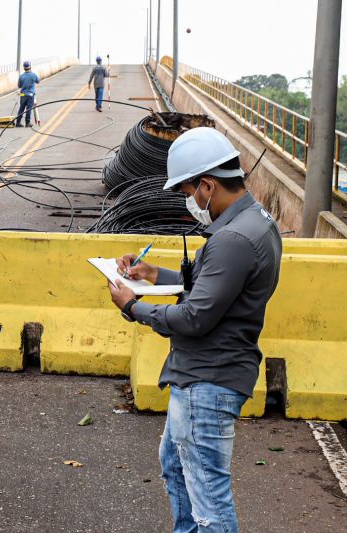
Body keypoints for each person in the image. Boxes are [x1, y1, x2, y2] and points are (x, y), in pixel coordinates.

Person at [107, 127, 282, 533]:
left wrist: (133, 306)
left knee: (209, 499)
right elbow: (214, 288)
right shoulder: (257, 223)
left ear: (207, 185)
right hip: (207, 373)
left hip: (210, 379)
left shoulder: (233, 239)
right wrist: (153, 273)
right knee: (175, 465)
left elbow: (194, 318)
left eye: (188, 192)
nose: (189, 203)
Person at [15, 61, 40, 127]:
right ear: (30, 67)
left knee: (21, 108)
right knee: (28, 109)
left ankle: (18, 122)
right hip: (30, 94)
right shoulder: (33, 75)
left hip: (22, 94)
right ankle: (27, 122)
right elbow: (38, 81)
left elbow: (19, 86)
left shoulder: (21, 76)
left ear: (24, 68)